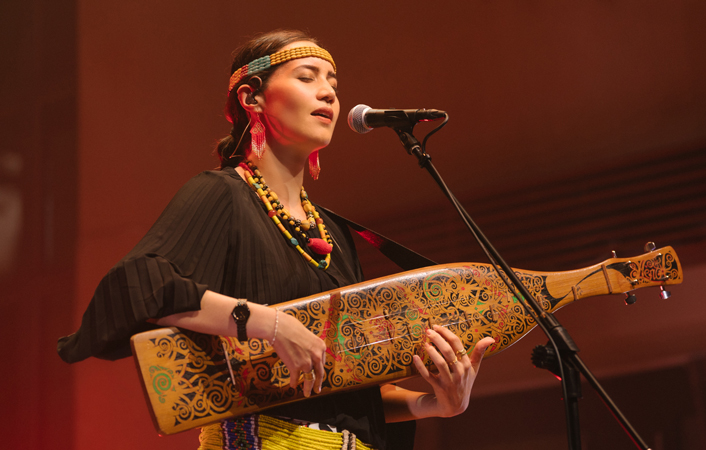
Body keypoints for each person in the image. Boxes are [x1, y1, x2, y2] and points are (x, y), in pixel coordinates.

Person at [57, 29, 494, 450]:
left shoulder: (335, 234)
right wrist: (271, 324)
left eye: (333, 84)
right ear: (252, 97)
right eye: (307, 77)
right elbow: (141, 284)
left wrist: (433, 403)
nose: (328, 94)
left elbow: (343, 381)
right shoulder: (222, 194)